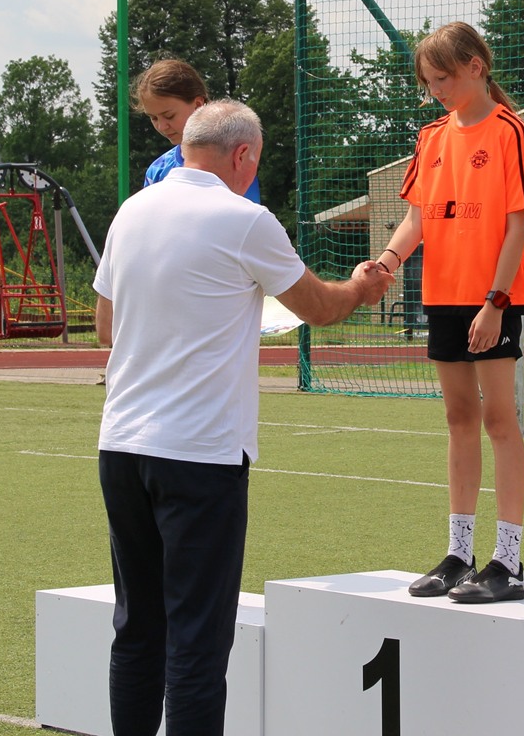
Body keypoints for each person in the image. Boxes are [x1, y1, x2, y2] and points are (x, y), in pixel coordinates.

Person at [93, 99, 391, 736]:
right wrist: (363, 287)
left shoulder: (131, 211)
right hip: (199, 453)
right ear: (243, 155)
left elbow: (105, 327)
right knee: (197, 641)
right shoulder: (246, 219)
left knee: (137, 628)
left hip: (120, 446)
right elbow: (319, 307)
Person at [376, 21, 524, 604]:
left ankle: (509, 563)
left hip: (493, 298)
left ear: (477, 66)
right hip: (442, 296)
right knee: (458, 419)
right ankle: (459, 554)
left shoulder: (510, 131)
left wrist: (496, 302)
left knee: (500, 421)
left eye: (443, 78)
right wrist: (387, 262)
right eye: (428, 83)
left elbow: (518, 226)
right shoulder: (430, 137)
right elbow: (417, 218)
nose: (436, 91)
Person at [132, 58, 261, 202]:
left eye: (169, 116)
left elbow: (244, 212)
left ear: (198, 105)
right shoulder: (157, 170)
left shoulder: (232, 158)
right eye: (153, 118)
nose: (162, 126)